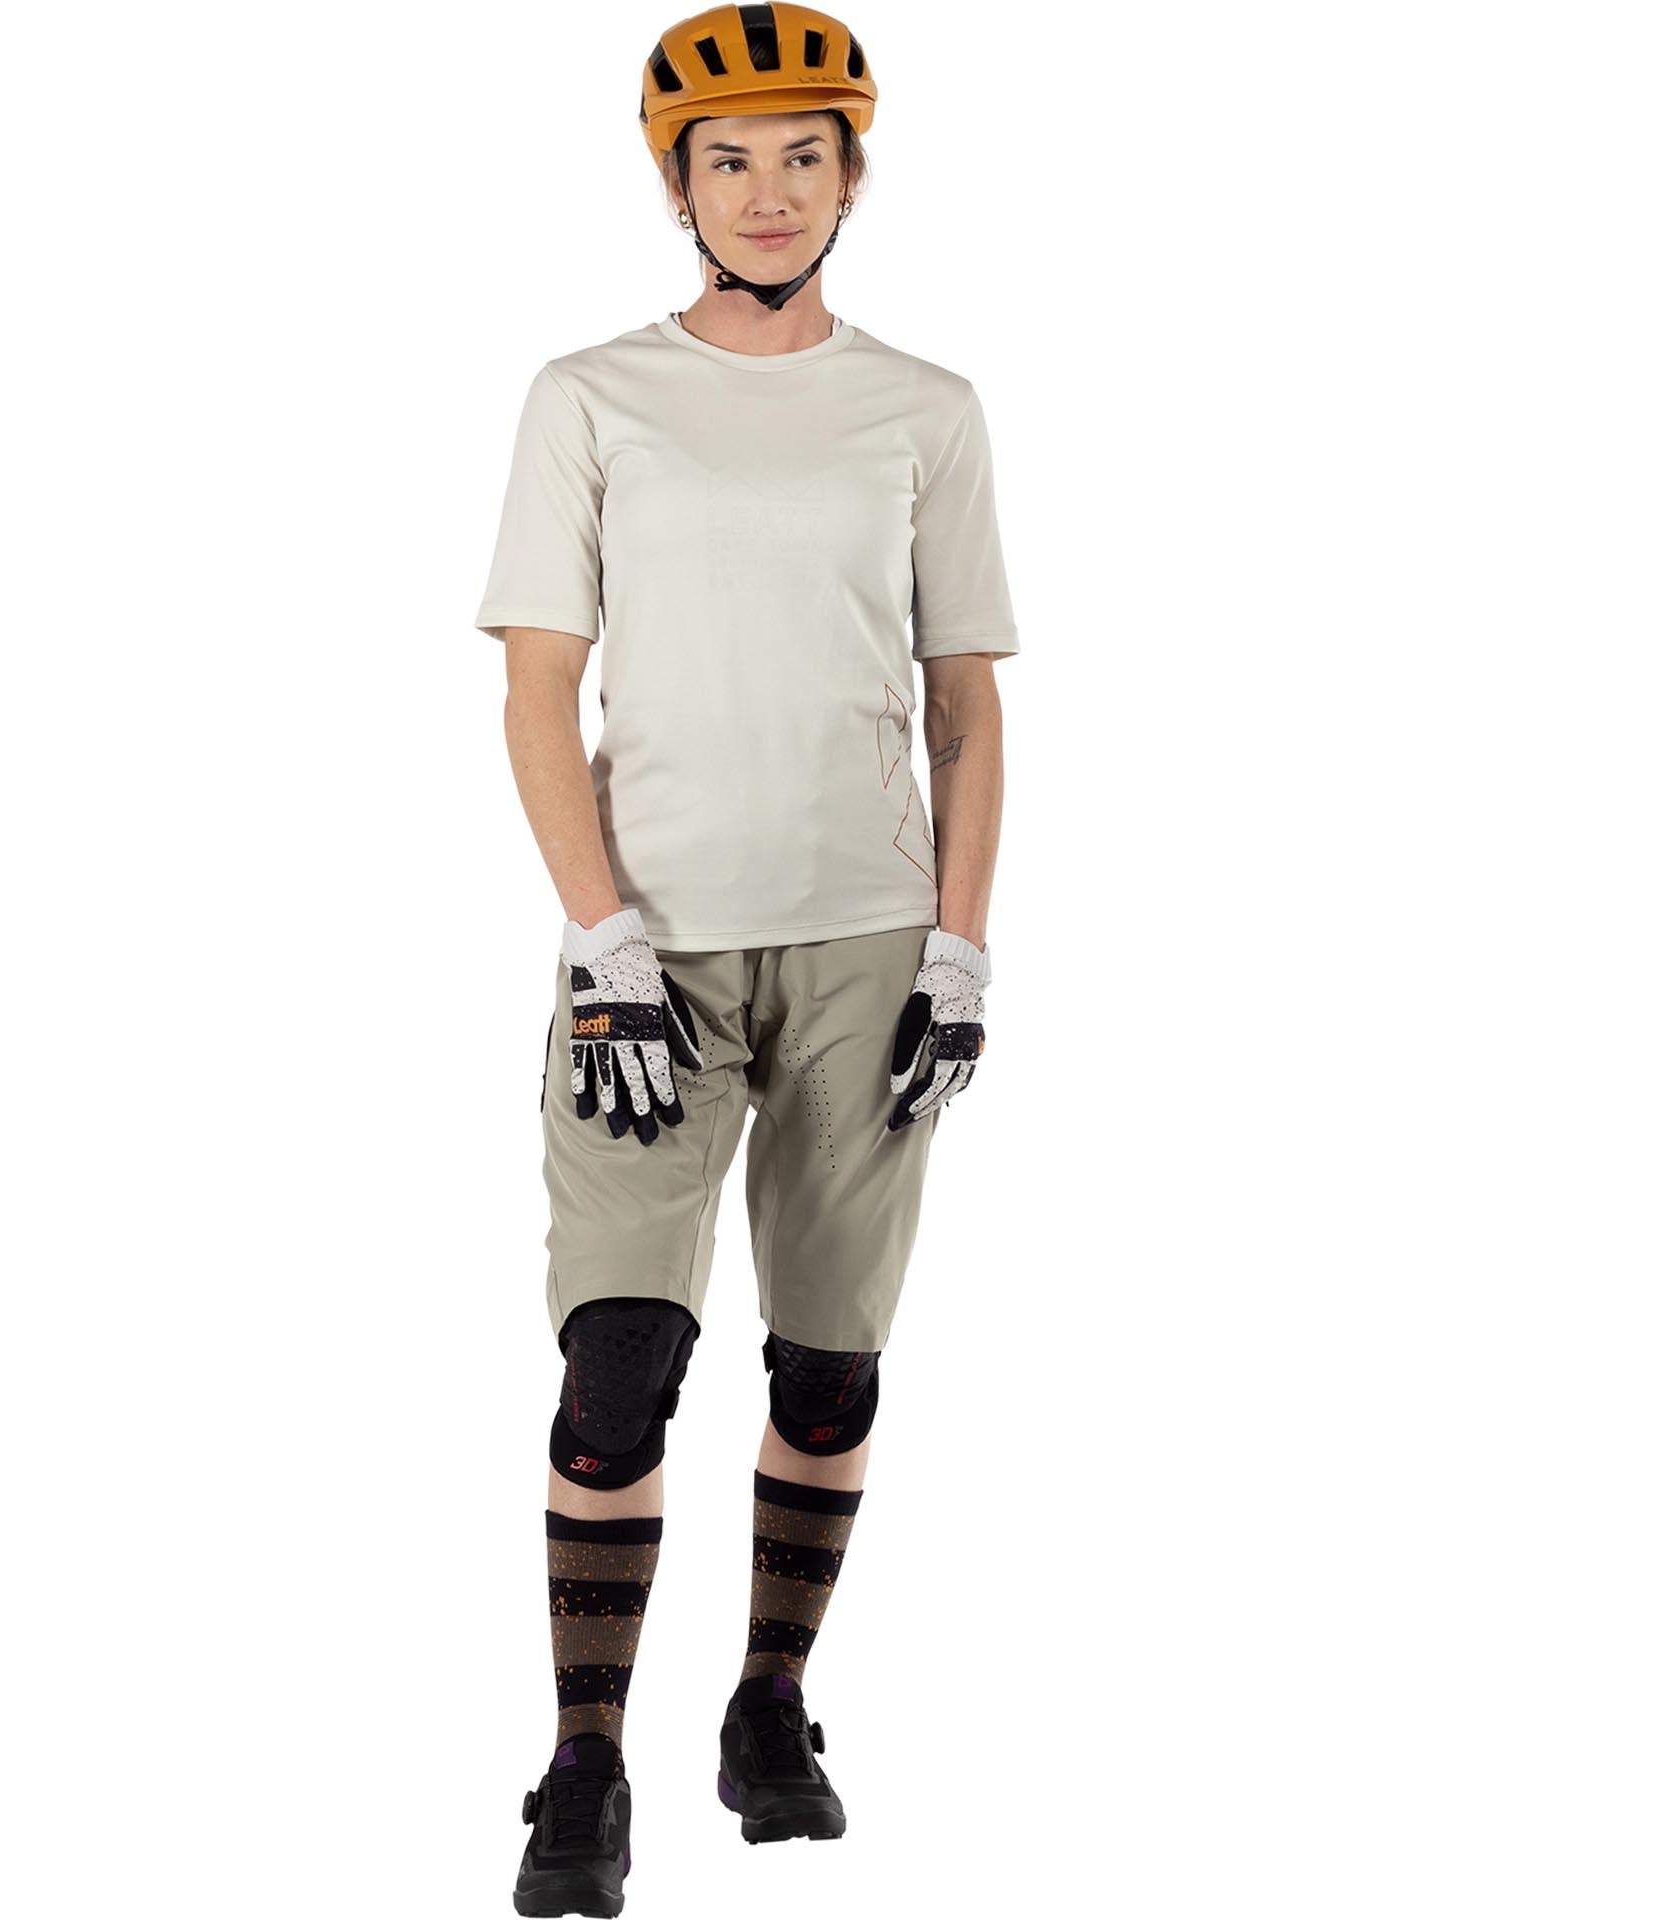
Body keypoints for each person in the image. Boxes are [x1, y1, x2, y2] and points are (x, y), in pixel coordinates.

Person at [473, 8, 1018, 1913]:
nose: (768, 192)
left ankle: (770, 1704)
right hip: (652, 950)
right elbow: (538, 688)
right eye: (729, 161)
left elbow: (968, 707)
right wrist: (599, 935)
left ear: (852, 179)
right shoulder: (588, 395)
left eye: (803, 157)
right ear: (678, 188)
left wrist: (962, 948)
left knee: (829, 1367)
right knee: (616, 1369)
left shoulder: (927, 409)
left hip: (870, 934)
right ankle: (584, 1762)